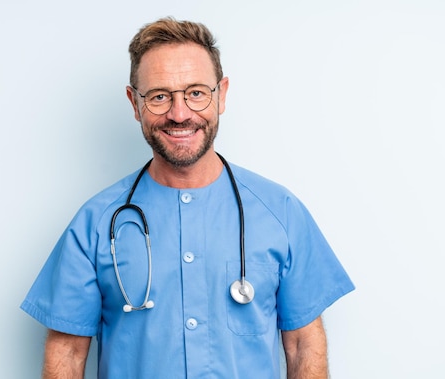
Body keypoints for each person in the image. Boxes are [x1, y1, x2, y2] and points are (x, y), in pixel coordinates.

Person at [21, 17, 354, 379]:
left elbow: (303, 345)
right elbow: (67, 352)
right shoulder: (96, 223)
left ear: (221, 94)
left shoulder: (281, 213)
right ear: (135, 103)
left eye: (196, 92)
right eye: (160, 96)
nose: (180, 114)